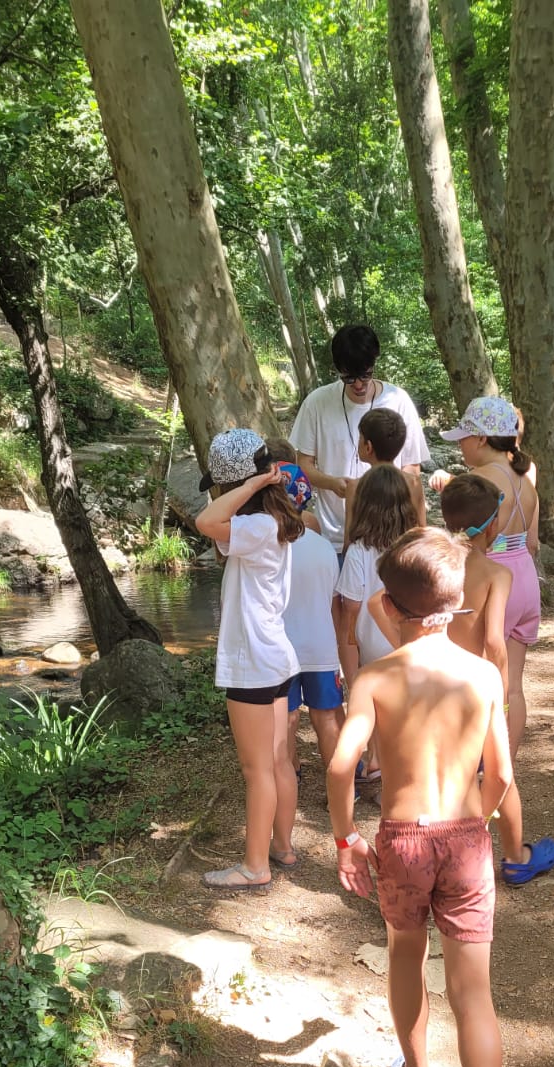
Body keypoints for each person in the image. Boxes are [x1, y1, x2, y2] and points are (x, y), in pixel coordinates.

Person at [326, 528, 515, 1067]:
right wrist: (478, 823)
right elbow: (502, 774)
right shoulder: (483, 674)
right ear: (459, 602)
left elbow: (341, 765)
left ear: (388, 604)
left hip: (402, 840)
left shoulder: (376, 678)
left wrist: (347, 839)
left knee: (406, 953)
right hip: (464, 837)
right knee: (474, 993)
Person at [195, 428, 302, 890]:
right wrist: (259, 482)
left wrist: (256, 481)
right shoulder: (270, 522)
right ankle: (282, 846)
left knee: (256, 769)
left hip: (253, 661)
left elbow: (205, 521)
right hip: (274, 656)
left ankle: (255, 866)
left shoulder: (256, 526)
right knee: (277, 762)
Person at [440, 474, 554, 887]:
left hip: (441, 685)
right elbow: (494, 640)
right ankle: (515, 857)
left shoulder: (438, 566)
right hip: (478, 689)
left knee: (451, 774)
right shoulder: (496, 574)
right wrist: (503, 694)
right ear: (493, 526)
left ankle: (446, 860)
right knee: (498, 771)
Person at [289, 324, 429, 557]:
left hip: (390, 539)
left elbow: (412, 467)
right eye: (349, 377)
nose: (358, 384)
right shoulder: (317, 403)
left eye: (365, 375)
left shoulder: (398, 400)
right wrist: (332, 483)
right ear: (337, 370)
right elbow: (303, 465)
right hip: (332, 538)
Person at [265, 436, 345, 790]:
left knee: (286, 718)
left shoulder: (265, 548)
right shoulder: (324, 548)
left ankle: (289, 776)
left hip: (280, 650)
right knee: (326, 718)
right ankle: (340, 785)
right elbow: (333, 602)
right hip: (321, 648)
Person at [335, 464, 417, 782]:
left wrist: (350, 666)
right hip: (408, 639)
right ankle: (394, 764)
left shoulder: (359, 551)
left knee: (375, 706)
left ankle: (377, 761)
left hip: (371, 643)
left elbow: (350, 610)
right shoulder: (414, 547)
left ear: (364, 506)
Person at [429, 395, 539, 558]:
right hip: (524, 569)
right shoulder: (526, 480)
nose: (459, 443)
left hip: (486, 569)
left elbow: (461, 545)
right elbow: (532, 544)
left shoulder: (477, 482)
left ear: (481, 439)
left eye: (463, 436)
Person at [346, 406, 427, 532]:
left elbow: (349, 537)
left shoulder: (355, 487)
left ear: (368, 447)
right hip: (405, 545)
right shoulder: (413, 483)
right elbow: (422, 530)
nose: (358, 441)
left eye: (360, 437)